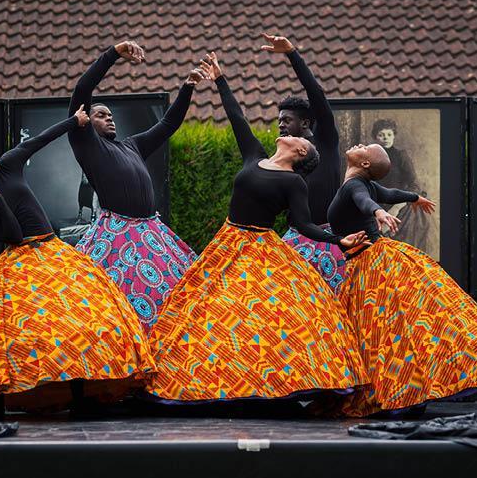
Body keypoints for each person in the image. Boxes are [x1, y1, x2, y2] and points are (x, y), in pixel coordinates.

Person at [147, 53, 370, 404]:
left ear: (301, 150)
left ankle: (265, 385)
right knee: (205, 311)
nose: (282, 127)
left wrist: (336, 238)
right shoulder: (255, 156)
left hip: (261, 250)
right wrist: (220, 80)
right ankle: (206, 380)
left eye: (294, 130)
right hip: (228, 243)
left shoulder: (294, 182)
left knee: (258, 317)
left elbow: (304, 225)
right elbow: (237, 119)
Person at [0, 106, 155, 418]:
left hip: (53, 252)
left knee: (77, 321)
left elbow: (39, 140)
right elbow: (15, 236)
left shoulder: (8, 165)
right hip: (20, 262)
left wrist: (74, 121)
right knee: (8, 331)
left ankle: (79, 392)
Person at [325, 143, 477, 416]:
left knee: (381, 328)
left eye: (365, 148)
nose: (360, 145)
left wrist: (378, 212)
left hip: (370, 261)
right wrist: (414, 197)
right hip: (369, 258)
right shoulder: (365, 184)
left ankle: (400, 388)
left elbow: (365, 202)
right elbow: (390, 193)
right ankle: (407, 385)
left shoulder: (356, 186)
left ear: (365, 164)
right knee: (391, 326)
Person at [70, 40, 205, 334]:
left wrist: (187, 87)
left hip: (150, 232)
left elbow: (168, 124)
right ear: (84, 120)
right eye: (100, 114)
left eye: (111, 114)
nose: (109, 118)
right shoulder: (87, 145)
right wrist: (113, 54)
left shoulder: (131, 146)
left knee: (175, 297)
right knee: (118, 304)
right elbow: (83, 89)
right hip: (117, 235)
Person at [259, 34, 346, 292]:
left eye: (287, 120)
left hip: (328, 239)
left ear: (306, 123)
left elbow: (315, 95)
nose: (281, 124)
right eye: (279, 120)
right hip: (296, 241)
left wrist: (291, 54)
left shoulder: (325, 140)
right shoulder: (285, 159)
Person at [371, 118, 432, 251]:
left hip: (399, 204)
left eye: (389, 134)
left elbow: (414, 186)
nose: (385, 138)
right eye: (381, 135)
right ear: (376, 137)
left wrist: (397, 206)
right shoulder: (370, 157)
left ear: (393, 136)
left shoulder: (401, 156)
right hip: (376, 203)